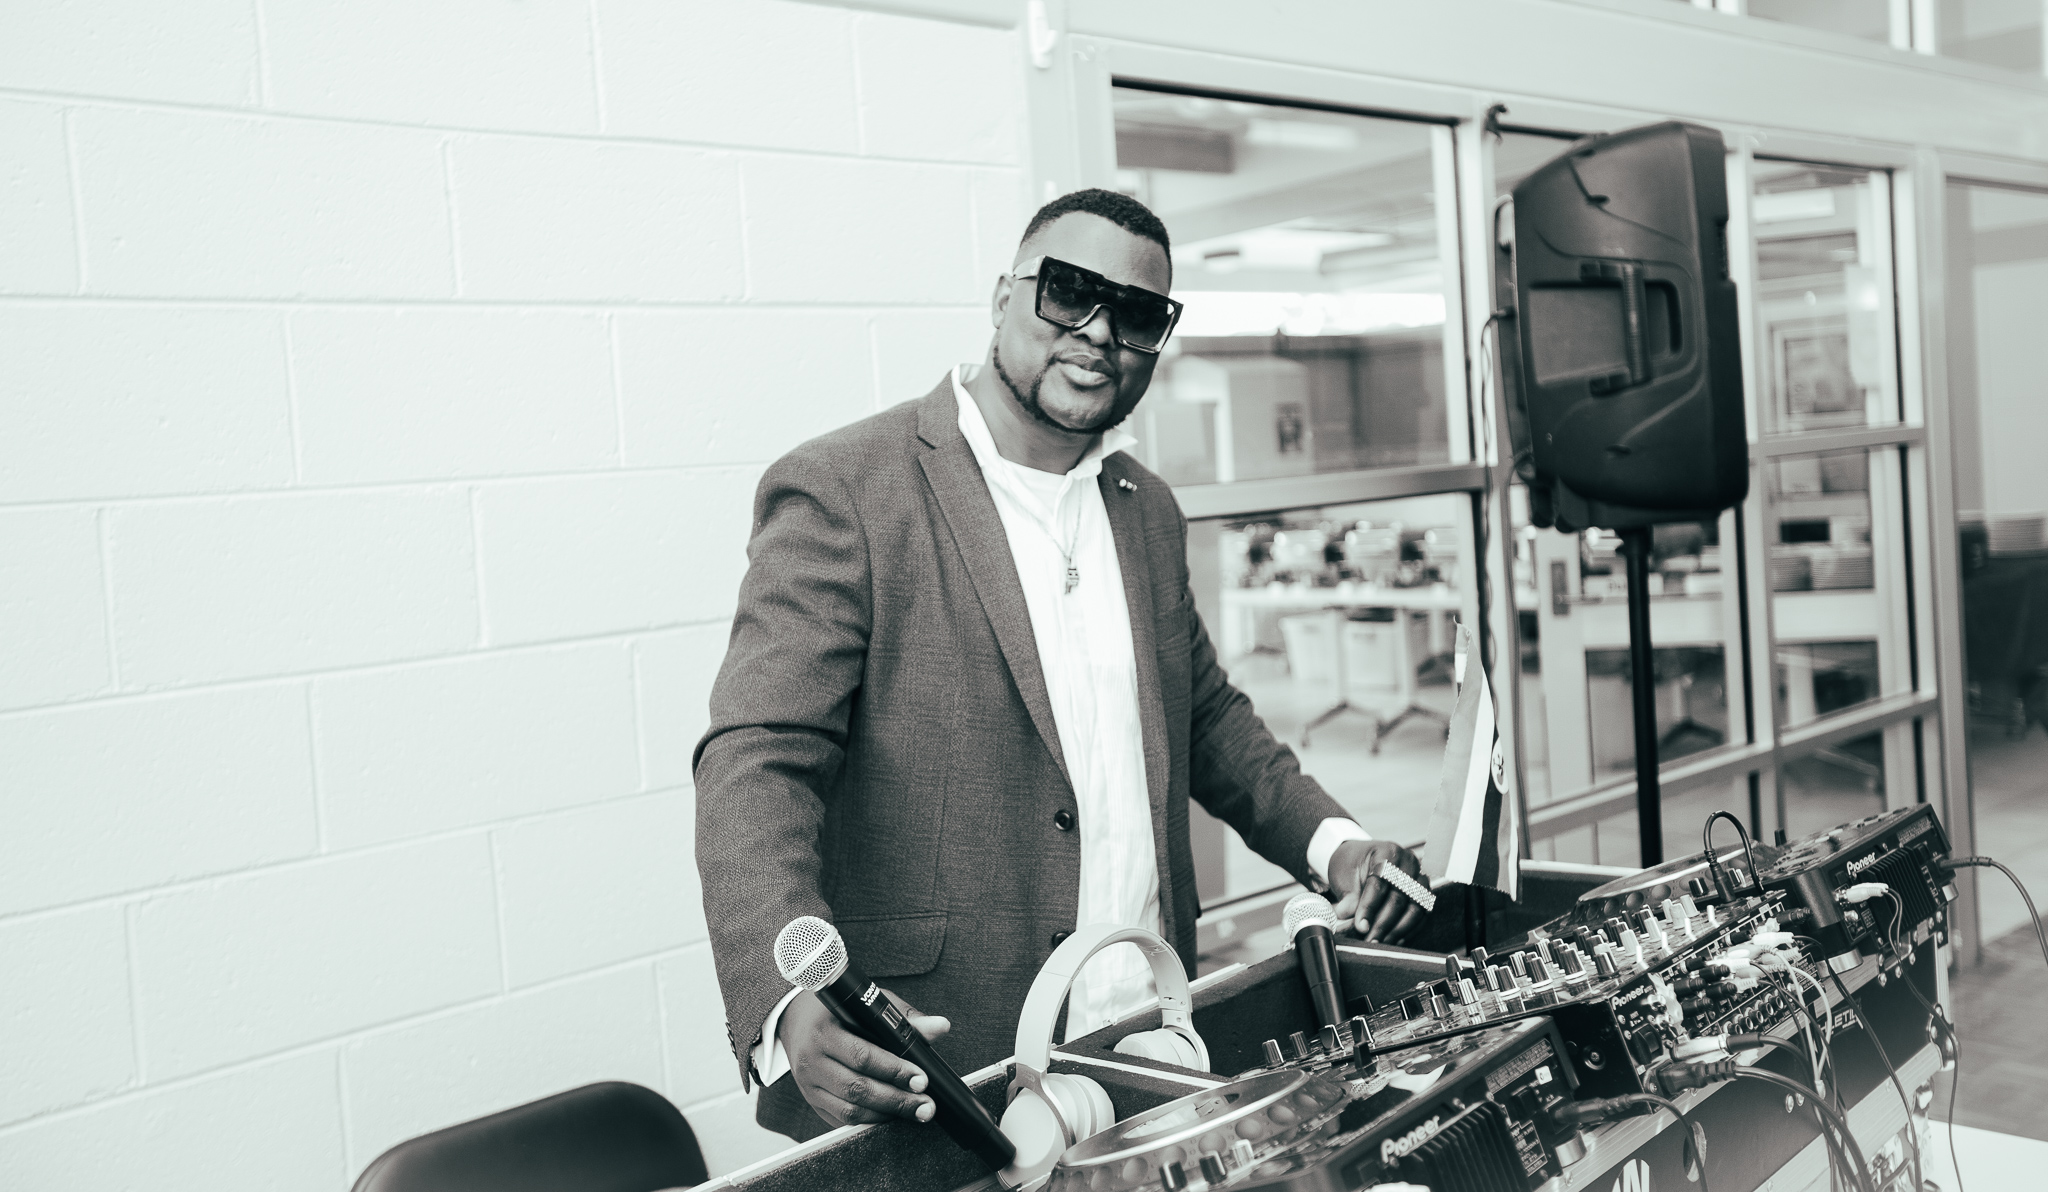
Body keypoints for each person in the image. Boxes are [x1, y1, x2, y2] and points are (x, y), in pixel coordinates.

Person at [694, 188, 1432, 1142]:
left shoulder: (1144, 506)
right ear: (1004, 297)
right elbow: (758, 758)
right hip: (943, 1065)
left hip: (1146, 1037)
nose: (1098, 333)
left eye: (1136, 314)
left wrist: (1337, 847)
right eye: (1070, 293)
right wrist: (792, 991)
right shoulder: (848, 489)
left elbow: (1205, 717)